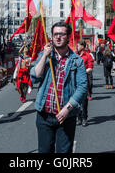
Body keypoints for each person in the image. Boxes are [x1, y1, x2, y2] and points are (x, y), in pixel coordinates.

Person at [30, 21, 87, 153]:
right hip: (44, 116)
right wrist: (45, 55)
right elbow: (35, 76)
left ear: (68, 37)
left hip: (66, 117)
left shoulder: (76, 60)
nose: (58, 37)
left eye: (62, 34)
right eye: (55, 34)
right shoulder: (45, 56)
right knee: (44, 151)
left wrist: (67, 109)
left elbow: (82, 87)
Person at [76, 40, 94, 127]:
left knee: (84, 101)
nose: (77, 47)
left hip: (83, 81)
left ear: (83, 46)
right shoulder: (74, 55)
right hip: (75, 81)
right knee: (76, 100)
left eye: (78, 45)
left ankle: (84, 118)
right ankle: (78, 118)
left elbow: (90, 68)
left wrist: (82, 72)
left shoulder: (88, 56)